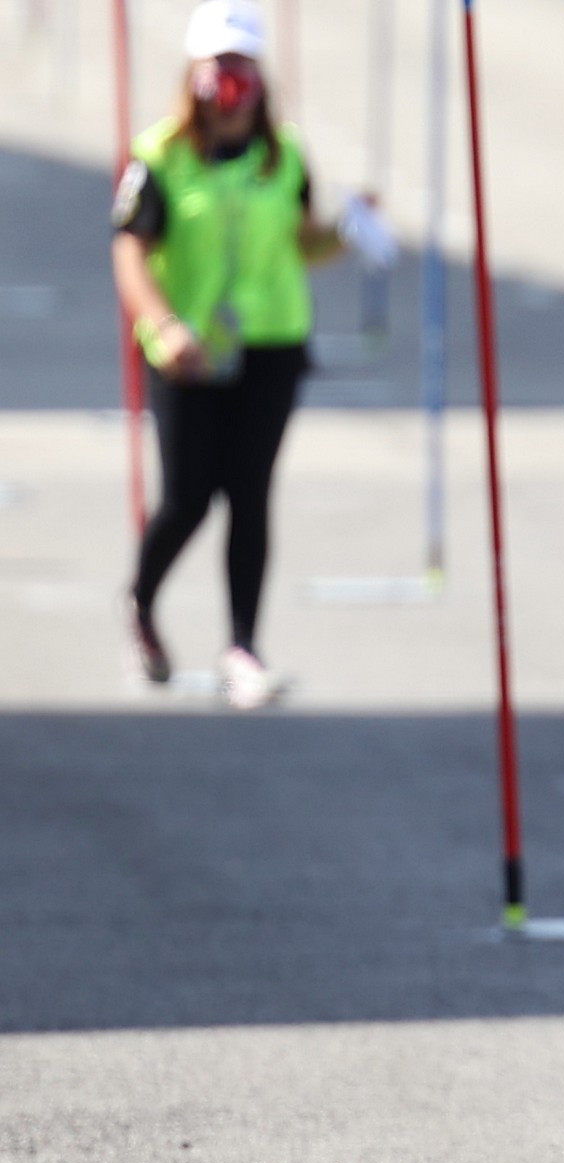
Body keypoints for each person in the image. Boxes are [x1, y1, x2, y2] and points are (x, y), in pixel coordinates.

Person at [111, 0, 365, 709]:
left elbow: (304, 243)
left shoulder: (283, 154)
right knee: (188, 498)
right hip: (190, 353)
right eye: (220, 63)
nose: (232, 79)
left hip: (270, 344)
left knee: (250, 492)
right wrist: (164, 326)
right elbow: (130, 251)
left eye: (243, 63)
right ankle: (141, 601)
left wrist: (349, 230)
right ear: (195, 71)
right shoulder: (160, 156)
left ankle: (243, 647)